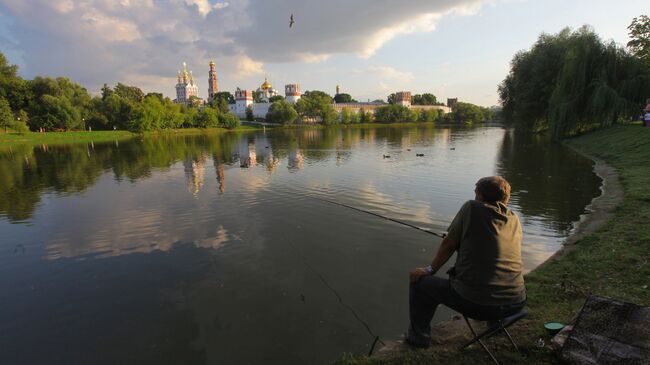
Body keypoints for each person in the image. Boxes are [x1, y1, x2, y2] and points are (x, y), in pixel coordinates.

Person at [406, 176, 526, 348]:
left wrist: (430, 269)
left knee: (420, 283)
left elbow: (449, 243)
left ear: (480, 195)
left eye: (476, 192)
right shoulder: (514, 219)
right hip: (517, 303)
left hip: (479, 305)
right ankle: (495, 323)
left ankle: (419, 338)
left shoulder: (472, 208)